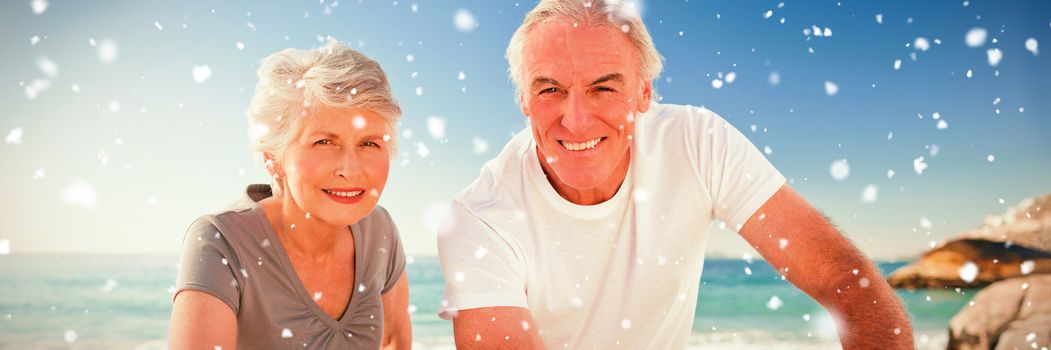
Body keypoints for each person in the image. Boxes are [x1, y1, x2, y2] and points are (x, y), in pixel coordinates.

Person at [436, 1, 913, 349]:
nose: (575, 119)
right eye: (550, 89)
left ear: (644, 94)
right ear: (523, 99)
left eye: (603, 88)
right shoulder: (478, 219)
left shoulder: (697, 143)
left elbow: (847, 283)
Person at [169, 40, 411, 349]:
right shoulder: (222, 242)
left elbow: (394, 340)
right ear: (273, 157)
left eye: (369, 143)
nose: (350, 170)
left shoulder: (381, 231)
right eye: (325, 142)